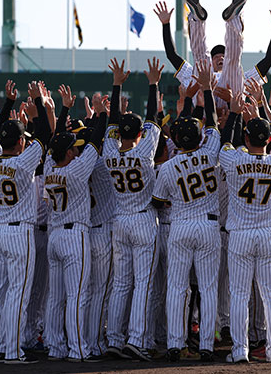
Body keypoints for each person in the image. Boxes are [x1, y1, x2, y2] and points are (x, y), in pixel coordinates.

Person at [152, 59, 222, 362]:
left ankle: (175, 344)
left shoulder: (167, 167)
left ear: (177, 140)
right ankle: (206, 346)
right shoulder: (210, 152)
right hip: (208, 226)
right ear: (199, 137)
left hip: (180, 224)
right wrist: (206, 89)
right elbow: (214, 125)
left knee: (177, 288)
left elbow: (157, 201)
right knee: (207, 289)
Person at [0, 80, 52, 364]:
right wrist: (39, 102)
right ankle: (12, 351)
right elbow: (46, 135)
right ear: (21, 142)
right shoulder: (23, 163)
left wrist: (9, 104)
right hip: (18, 233)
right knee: (17, 294)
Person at [219, 93, 271, 363]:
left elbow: (224, 142)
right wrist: (257, 114)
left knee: (239, 294)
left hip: (241, 233)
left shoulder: (234, 160)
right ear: (268, 140)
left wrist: (236, 114)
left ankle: (239, 351)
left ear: (246, 139)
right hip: (268, 233)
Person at [103, 58, 162, 362]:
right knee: (143, 284)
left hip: (119, 220)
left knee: (121, 284)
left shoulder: (109, 151)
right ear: (139, 133)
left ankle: (113, 337)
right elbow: (153, 116)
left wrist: (116, 84)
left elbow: (113, 121)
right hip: (142, 219)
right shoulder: (144, 149)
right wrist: (153, 84)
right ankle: (135, 340)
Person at [43, 90, 108, 362]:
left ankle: (55, 347)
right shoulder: (76, 169)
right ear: (69, 152)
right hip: (74, 236)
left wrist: (64, 112)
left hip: (54, 236)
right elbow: (95, 141)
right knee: (78, 296)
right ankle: (79, 349)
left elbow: (52, 146)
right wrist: (102, 113)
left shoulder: (49, 167)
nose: (77, 149)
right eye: (73, 147)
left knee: (56, 299)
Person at [154, 0, 271, 103]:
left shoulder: (241, 75)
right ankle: (198, 19)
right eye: (216, 56)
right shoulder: (202, 70)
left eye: (222, 55)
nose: (220, 57)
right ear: (212, 61)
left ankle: (231, 18)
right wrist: (165, 24)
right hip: (204, 107)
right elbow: (172, 55)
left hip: (230, 105)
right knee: (201, 61)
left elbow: (269, 59)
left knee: (233, 62)